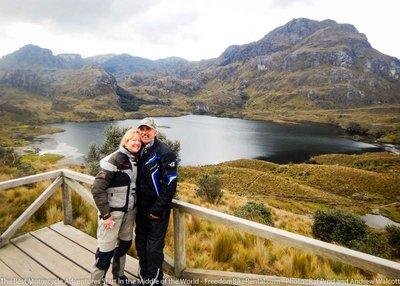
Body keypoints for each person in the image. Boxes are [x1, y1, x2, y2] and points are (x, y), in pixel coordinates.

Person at [90, 128, 142, 286]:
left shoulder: (136, 159)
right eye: (133, 140)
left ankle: (119, 277)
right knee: (105, 252)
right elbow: (97, 189)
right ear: (126, 141)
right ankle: (96, 283)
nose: (137, 143)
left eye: (139, 141)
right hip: (112, 215)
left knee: (125, 244)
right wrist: (105, 215)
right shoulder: (114, 159)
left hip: (130, 213)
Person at [135, 118, 178, 286]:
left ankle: (154, 282)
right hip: (141, 209)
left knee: (153, 249)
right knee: (141, 244)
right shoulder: (139, 150)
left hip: (157, 211)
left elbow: (171, 184)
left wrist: (157, 209)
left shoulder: (165, 152)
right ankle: (143, 278)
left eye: (148, 129)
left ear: (155, 132)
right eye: (142, 129)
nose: (145, 132)